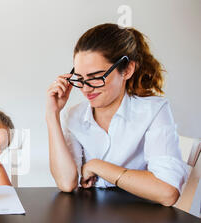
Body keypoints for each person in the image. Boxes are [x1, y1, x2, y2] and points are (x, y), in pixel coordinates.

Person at [46, 23, 188, 206]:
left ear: (127, 70)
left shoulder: (154, 110)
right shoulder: (74, 115)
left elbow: (167, 192)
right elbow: (66, 183)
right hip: (91, 219)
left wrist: (97, 166)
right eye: (80, 79)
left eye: (96, 77)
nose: (86, 89)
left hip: (140, 220)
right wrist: (52, 115)